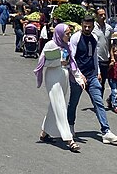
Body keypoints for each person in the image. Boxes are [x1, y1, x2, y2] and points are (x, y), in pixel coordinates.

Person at [67, 16, 117, 144]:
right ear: (81, 24)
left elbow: (94, 57)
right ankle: (70, 126)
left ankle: (106, 131)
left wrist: (97, 72)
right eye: (85, 26)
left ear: (93, 27)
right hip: (78, 77)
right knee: (73, 102)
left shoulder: (94, 38)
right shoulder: (75, 38)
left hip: (92, 76)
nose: (87, 28)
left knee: (98, 102)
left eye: (89, 26)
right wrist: (78, 75)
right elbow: (72, 58)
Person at [35, 23, 79, 153]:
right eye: (67, 33)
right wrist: (57, 62)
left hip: (63, 77)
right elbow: (42, 62)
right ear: (60, 33)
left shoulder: (67, 46)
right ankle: (68, 139)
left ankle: (44, 133)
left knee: (54, 106)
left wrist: (78, 77)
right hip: (53, 77)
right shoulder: (50, 45)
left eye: (69, 33)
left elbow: (72, 63)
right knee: (60, 105)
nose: (69, 35)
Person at [93, 7, 114, 82]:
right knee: (95, 82)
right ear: (96, 16)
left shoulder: (109, 28)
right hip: (95, 59)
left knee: (103, 82)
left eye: (104, 14)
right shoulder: (92, 27)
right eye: (101, 15)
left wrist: (112, 58)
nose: (103, 16)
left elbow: (110, 44)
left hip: (105, 59)